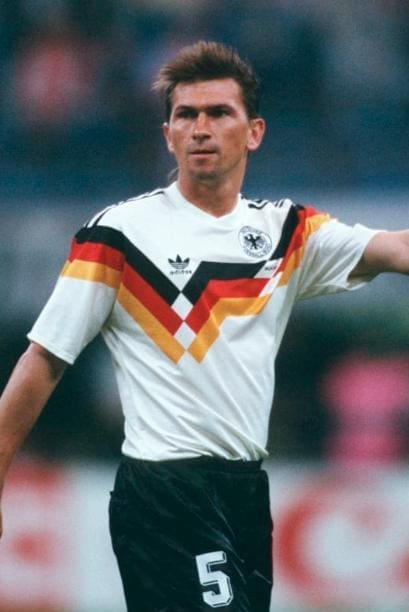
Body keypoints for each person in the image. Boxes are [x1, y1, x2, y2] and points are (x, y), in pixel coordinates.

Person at [0, 40, 408, 612]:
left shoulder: (286, 233)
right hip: (165, 493)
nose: (200, 128)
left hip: (244, 492)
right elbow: (44, 359)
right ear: (167, 134)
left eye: (219, 113)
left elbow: (396, 248)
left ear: (255, 131)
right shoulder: (118, 235)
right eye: (186, 115)